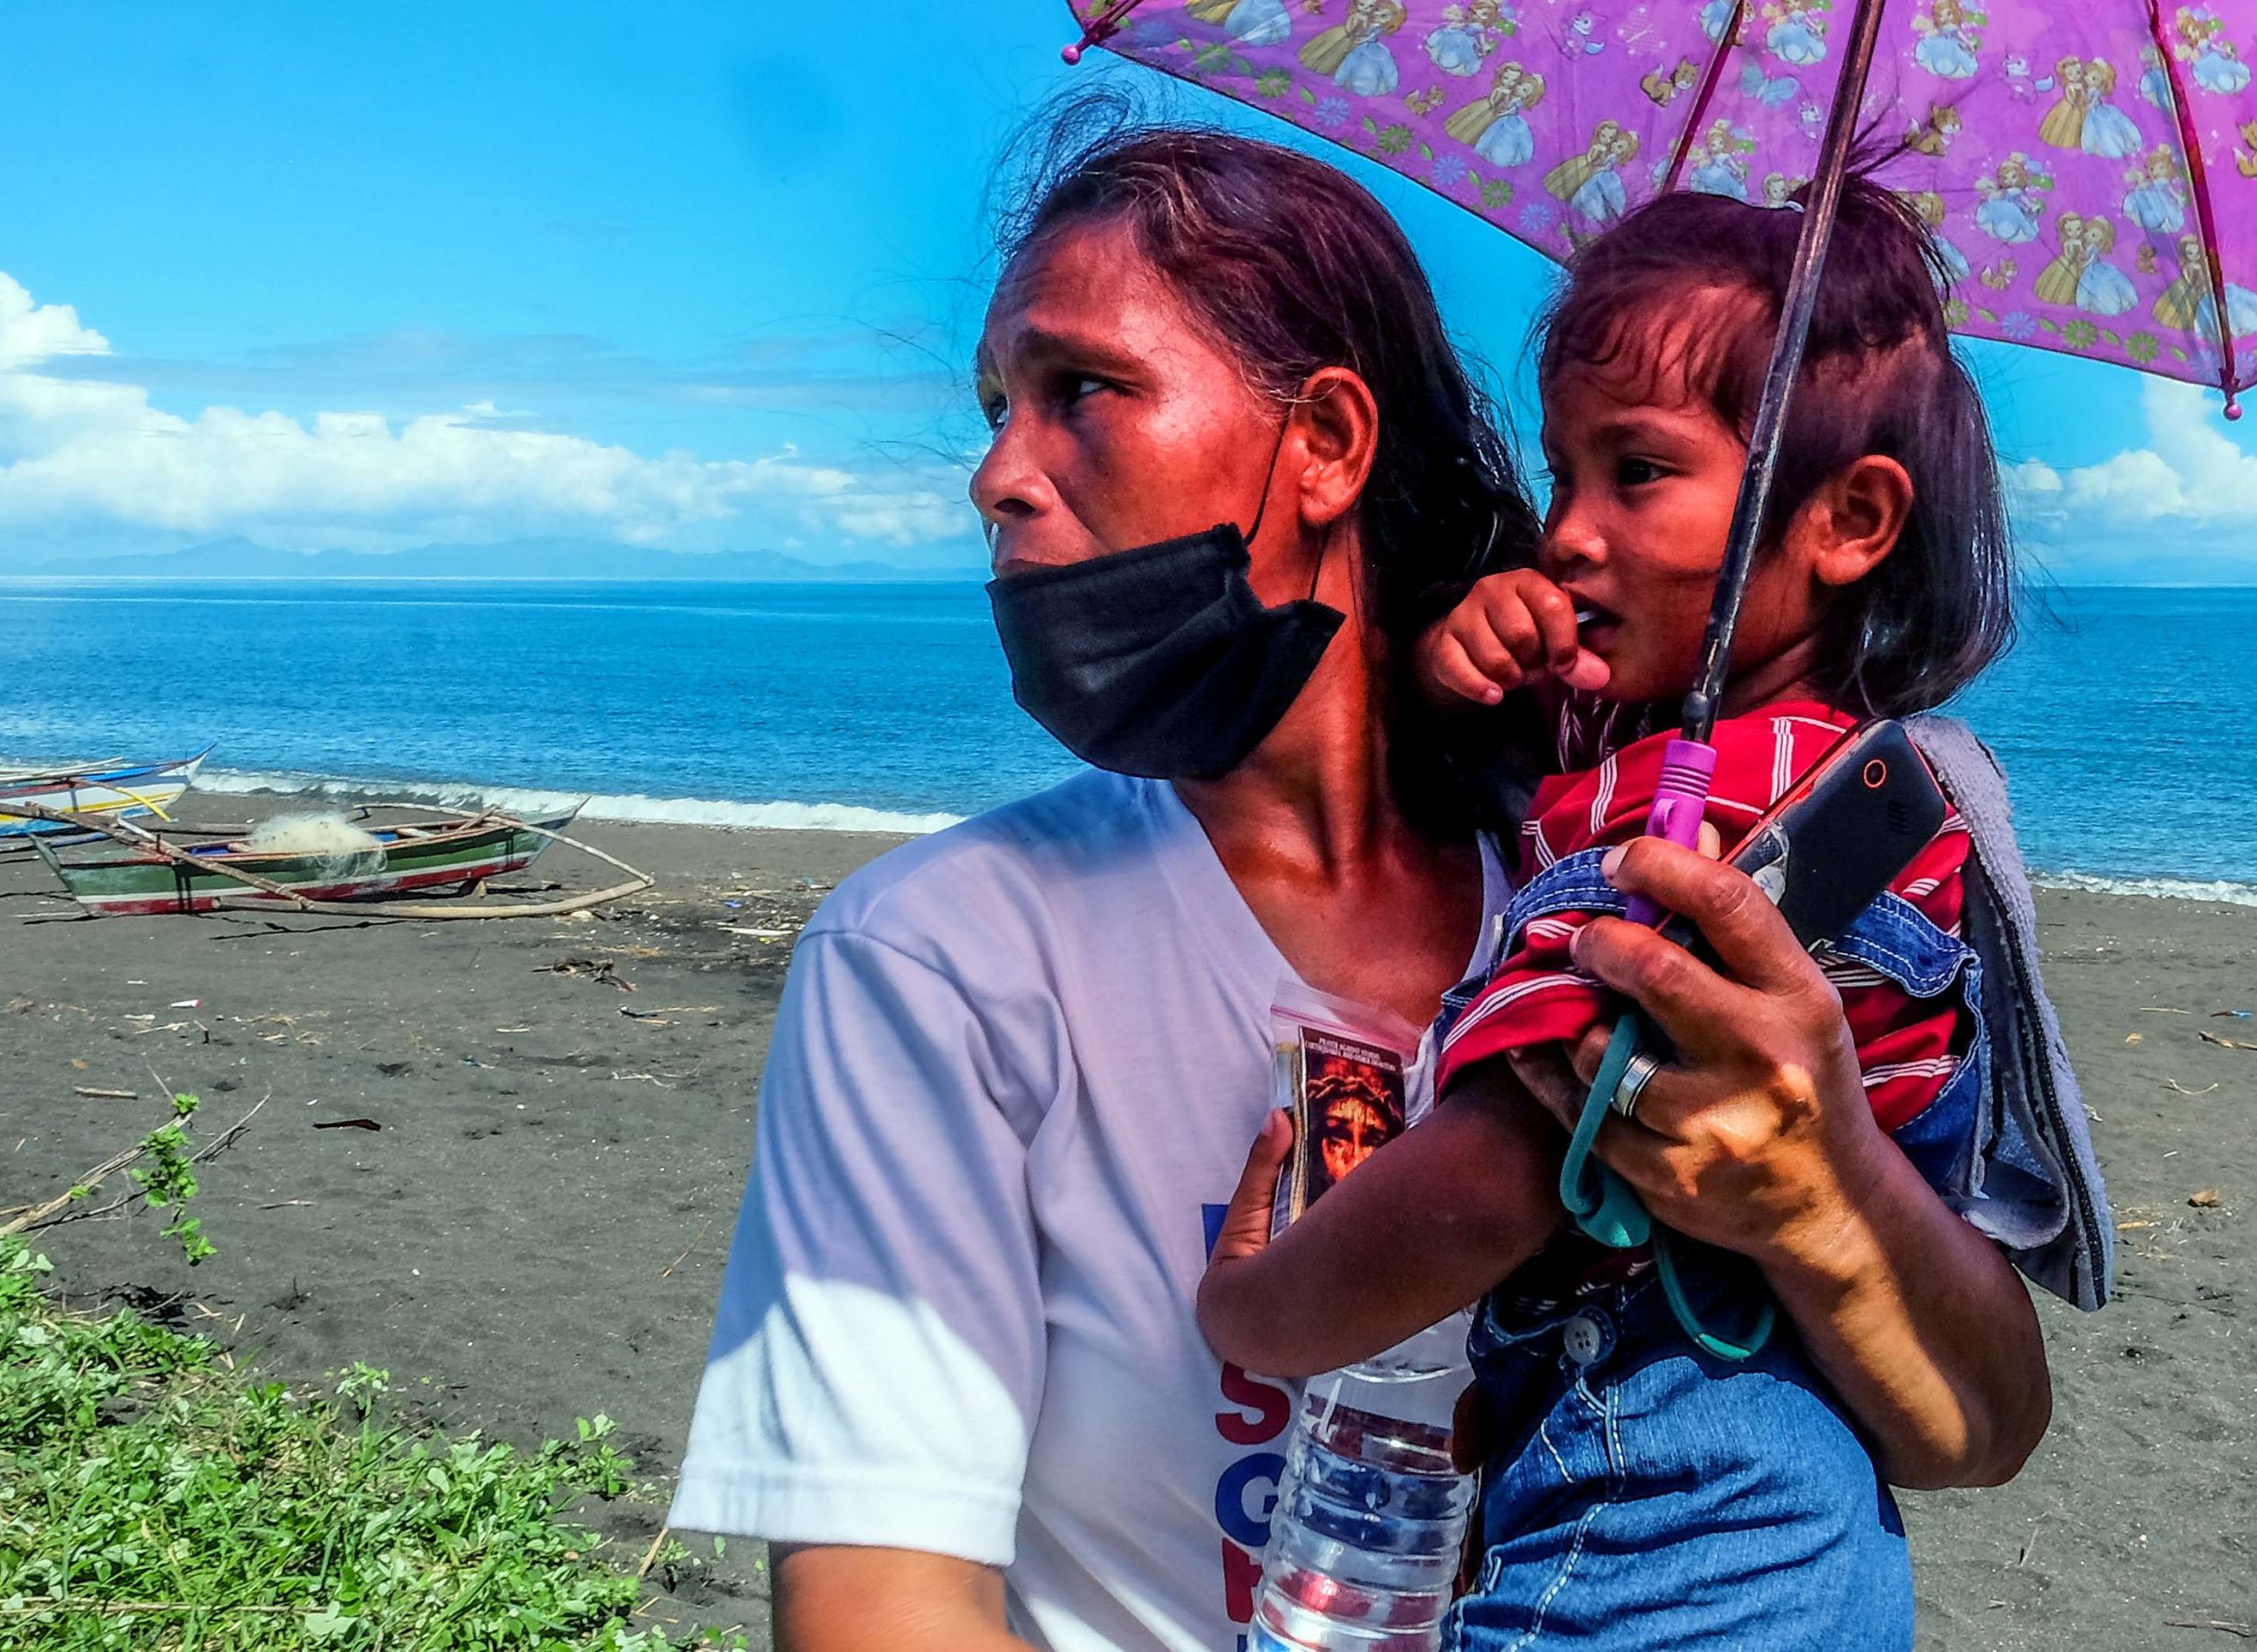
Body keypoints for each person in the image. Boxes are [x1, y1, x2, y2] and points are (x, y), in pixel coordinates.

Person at [670, 117, 2066, 1652]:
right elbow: (884, 1615)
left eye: (1081, 389)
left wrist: (1828, 1191)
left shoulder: (1616, 876)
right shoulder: (936, 959)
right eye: (1000, 408)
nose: (996, 474)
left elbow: (1980, 1429)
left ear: (1329, 442)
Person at [1197, 177, 2109, 1649]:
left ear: (1852, 520)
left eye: (1638, 473)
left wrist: (1254, 1314)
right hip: (1814, 1551)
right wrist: (1450, 683)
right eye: (1562, 476)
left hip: (1646, 1537)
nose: (1563, 533)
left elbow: (1501, 1170)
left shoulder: (1690, 833)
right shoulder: (1863, 793)